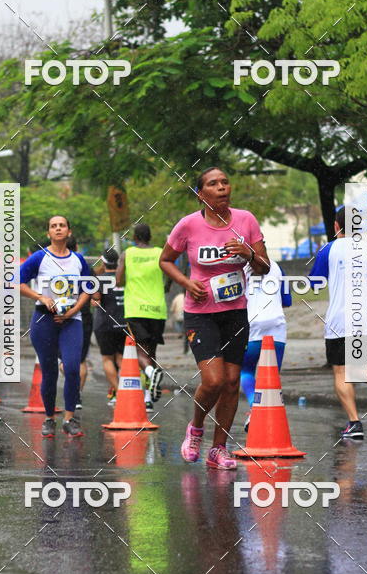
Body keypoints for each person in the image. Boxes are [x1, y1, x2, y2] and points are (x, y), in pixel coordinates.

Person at [160, 167, 270, 470]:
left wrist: (248, 253)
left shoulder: (245, 220)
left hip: (235, 312)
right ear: (201, 193)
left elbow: (264, 267)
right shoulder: (188, 225)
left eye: (224, 182)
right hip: (200, 315)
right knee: (214, 380)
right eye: (213, 183)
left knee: (232, 382)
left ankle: (219, 448)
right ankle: (196, 429)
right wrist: (186, 283)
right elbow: (165, 260)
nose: (221, 187)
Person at [310, 206, 367, 439]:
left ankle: (354, 423)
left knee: (341, 371)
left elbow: (315, 283)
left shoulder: (328, 250)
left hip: (339, 320)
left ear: (336, 226)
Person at [19, 216, 92, 438]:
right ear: (49, 233)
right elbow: (17, 282)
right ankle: (50, 418)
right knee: (49, 371)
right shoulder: (39, 258)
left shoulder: (78, 260)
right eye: (53, 226)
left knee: (71, 367)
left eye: (62, 225)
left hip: (71, 320)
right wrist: (40, 296)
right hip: (44, 320)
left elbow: (88, 287)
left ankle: (69, 419)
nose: (58, 229)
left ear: (68, 231)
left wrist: (74, 309)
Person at [117, 223, 167, 409]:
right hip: (157, 309)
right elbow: (170, 274)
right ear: (150, 237)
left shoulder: (127, 254)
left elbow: (119, 280)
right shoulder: (160, 252)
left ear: (135, 238)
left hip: (135, 309)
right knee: (151, 351)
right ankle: (148, 398)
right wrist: (166, 286)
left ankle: (150, 372)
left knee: (139, 350)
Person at [240, 259, 292, 430]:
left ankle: (255, 408)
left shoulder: (239, 268)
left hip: (252, 325)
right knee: (272, 376)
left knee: (246, 370)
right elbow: (287, 301)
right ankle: (272, 423)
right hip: (276, 325)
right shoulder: (278, 267)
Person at [93, 248, 126, 405]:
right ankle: (130, 391)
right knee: (122, 358)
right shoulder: (124, 278)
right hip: (123, 323)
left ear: (103, 261)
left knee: (107, 358)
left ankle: (119, 392)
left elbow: (96, 300)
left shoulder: (99, 279)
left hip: (104, 324)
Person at [65, 235, 93, 411]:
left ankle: (73, 391)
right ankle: (76, 396)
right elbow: (95, 294)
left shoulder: (56, 266)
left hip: (62, 316)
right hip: (84, 316)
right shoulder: (85, 266)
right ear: (77, 246)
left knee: (65, 361)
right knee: (81, 360)